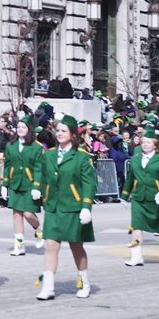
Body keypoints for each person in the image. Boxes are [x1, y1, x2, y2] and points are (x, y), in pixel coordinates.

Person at [35, 120, 96, 300]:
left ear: (73, 134)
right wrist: (38, 187)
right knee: (50, 245)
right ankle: (48, 287)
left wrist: (86, 207)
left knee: (76, 246)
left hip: (73, 208)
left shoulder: (82, 157)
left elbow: (89, 184)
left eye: (63, 130)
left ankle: (84, 281)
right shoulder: (49, 155)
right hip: (53, 206)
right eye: (58, 130)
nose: (59, 133)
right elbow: (42, 173)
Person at [121, 125, 159, 268]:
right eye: (143, 142)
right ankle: (136, 256)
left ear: (155, 145)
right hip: (139, 197)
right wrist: (124, 194)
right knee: (136, 226)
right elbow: (130, 178)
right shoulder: (135, 159)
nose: (145, 144)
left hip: (157, 199)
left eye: (148, 142)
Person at [2, 118, 44, 257]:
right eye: (18, 127)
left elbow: (39, 168)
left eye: (24, 127)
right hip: (15, 183)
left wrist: (37, 186)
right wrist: (5, 184)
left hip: (30, 184)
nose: (20, 129)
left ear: (29, 129)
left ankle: (38, 229)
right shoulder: (10, 145)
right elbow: (7, 165)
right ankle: (19, 245)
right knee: (17, 215)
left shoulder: (36, 147)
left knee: (28, 213)